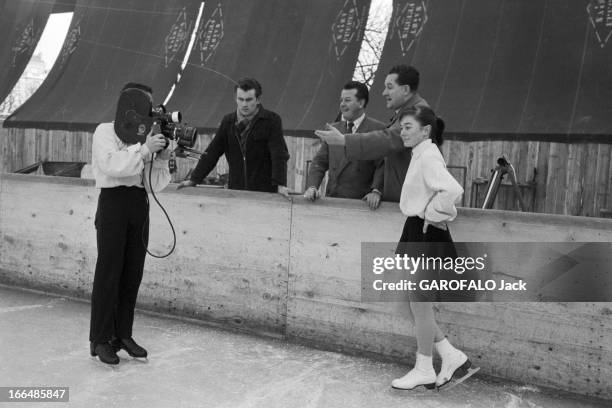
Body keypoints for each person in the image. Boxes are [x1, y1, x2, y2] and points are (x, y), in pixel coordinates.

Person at [315, 106, 475, 390]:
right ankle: (451, 355)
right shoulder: (421, 152)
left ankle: (425, 367)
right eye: (401, 127)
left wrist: (432, 213)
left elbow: (453, 190)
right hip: (415, 229)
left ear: (425, 130)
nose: (402, 132)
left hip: (425, 233)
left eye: (408, 127)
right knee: (407, 303)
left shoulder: (429, 155)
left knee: (419, 305)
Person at [89, 83, 171, 365]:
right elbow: (113, 166)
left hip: (138, 205)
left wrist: (160, 159)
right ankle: (100, 339)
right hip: (113, 203)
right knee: (109, 272)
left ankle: (122, 334)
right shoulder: (105, 131)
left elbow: (153, 184)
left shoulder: (145, 136)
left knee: (132, 273)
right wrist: (145, 149)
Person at [314, 65, 429, 202]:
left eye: (390, 87)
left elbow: (389, 139)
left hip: (411, 202)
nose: (384, 93)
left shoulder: (417, 113)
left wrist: (345, 140)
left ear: (405, 90)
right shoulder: (409, 113)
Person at [177, 78, 290, 197]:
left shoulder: (271, 120)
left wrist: (280, 184)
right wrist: (194, 179)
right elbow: (212, 152)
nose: (244, 104)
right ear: (236, 99)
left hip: (265, 193)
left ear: (258, 100)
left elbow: (279, 154)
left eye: (249, 100)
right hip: (236, 192)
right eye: (241, 99)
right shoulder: (228, 122)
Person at [304, 81, 385, 209]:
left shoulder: (378, 130)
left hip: (363, 207)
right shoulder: (333, 129)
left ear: (361, 103)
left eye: (347, 100)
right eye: (341, 100)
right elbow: (320, 162)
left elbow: (382, 165)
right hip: (331, 202)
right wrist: (312, 186)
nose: (342, 104)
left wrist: (376, 191)